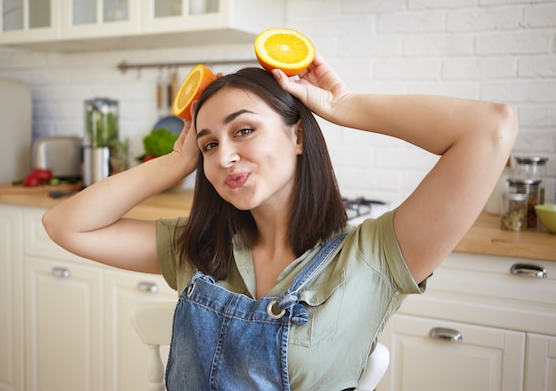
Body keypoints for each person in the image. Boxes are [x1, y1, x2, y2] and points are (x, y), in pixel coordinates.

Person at [42, 53, 517, 390]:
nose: (225, 155)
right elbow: (65, 224)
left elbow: (490, 128)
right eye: (209, 144)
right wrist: (175, 163)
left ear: (297, 137)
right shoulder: (200, 247)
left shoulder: (374, 257)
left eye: (244, 130)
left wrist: (345, 107)